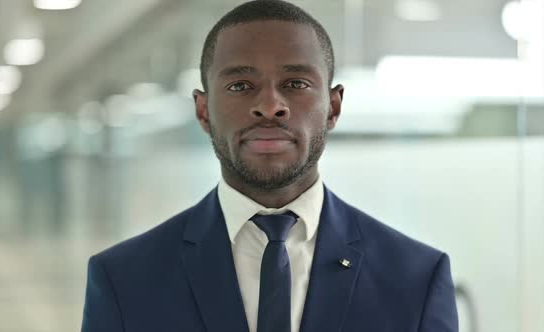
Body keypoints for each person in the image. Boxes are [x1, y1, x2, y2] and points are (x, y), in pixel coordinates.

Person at [80, 1, 459, 331]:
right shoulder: (125, 279)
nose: (270, 105)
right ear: (203, 110)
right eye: (240, 86)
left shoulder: (415, 278)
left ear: (334, 108)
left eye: (295, 83)